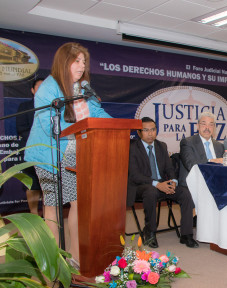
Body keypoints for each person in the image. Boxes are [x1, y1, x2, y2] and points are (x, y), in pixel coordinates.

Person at [25, 42, 111, 268]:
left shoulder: (84, 87)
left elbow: (97, 112)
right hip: (48, 154)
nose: (82, 66)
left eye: (84, 62)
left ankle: (75, 257)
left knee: (77, 202)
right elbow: (48, 125)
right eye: (77, 61)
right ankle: (54, 259)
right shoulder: (49, 88)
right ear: (64, 62)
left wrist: (117, 125)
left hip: (74, 152)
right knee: (52, 204)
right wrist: (81, 128)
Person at [127, 117, 198, 249]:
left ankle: (186, 234)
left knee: (185, 192)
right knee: (151, 191)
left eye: (153, 129)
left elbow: (169, 168)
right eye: (146, 130)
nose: (150, 133)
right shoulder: (132, 147)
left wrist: (173, 182)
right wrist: (157, 184)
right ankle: (150, 231)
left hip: (162, 185)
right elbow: (134, 175)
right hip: (141, 187)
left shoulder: (161, 146)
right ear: (139, 132)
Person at [16, 78, 44, 215]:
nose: (41, 89)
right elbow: (21, 129)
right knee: (32, 184)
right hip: (30, 150)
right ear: (32, 90)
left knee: (47, 184)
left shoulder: (52, 107)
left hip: (47, 151)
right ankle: (34, 215)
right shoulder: (24, 107)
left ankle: (49, 216)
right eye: (38, 86)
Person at [179, 112, 224, 187]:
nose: (207, 127)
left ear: (214, 127)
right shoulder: (187, 142)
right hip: (193, 184)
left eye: (211, 125)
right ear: (197, 126)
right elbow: (191, 165)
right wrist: (212, 161)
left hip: (215, 183)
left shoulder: (220, 146)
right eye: (204, 124)